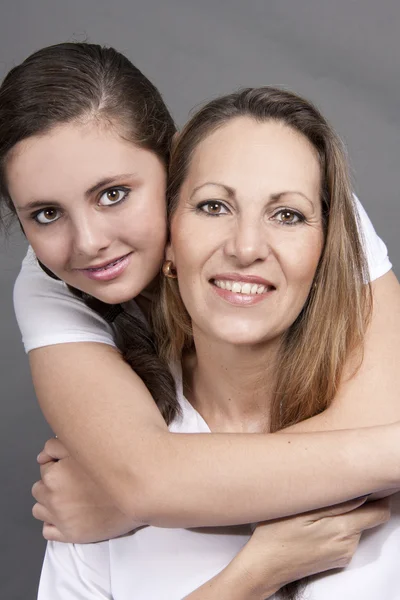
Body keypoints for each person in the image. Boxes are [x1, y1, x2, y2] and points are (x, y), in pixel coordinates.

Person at [2, 42, 399, 535]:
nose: (88, 244)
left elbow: (376, 427)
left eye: (113, 194)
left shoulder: (288, 185)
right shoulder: (47, 284)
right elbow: (150, 479)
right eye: (45, 214)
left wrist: (142, 507)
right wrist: (156, 494)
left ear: (173, 165)